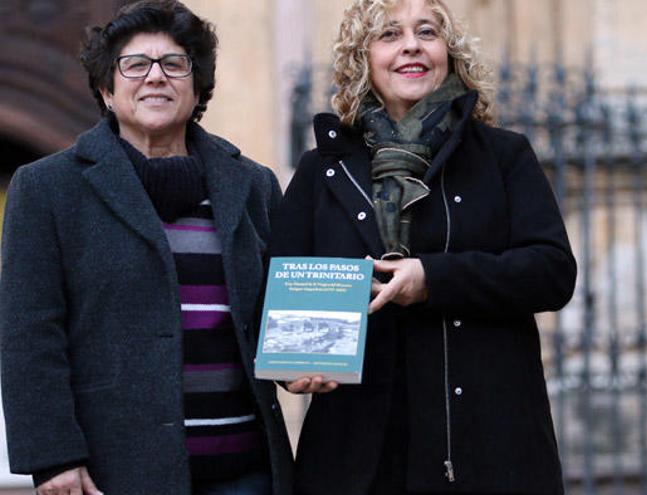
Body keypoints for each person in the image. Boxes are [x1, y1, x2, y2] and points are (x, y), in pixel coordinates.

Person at [269, 0, 577, 493]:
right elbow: (282, 291)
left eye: (427, 32)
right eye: (389, 34)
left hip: (484, 445)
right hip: (358, 455)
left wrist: (433, 280)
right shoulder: (323, 169)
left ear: (449, 55)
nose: (410, 44)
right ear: (363, 59)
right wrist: (293, 369)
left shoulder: (503, 156)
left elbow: (553, 271)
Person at [0, 1, 293, 493]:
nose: (155, 77)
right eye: (135, 65)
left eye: (174, 64)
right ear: (106, 90)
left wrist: (306, 362)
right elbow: (29, 333)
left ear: (197, 87)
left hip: (247, 471)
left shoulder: (253, 184)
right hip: (114, 473)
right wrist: (52, 457)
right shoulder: (46, 189)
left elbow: (276, 309)